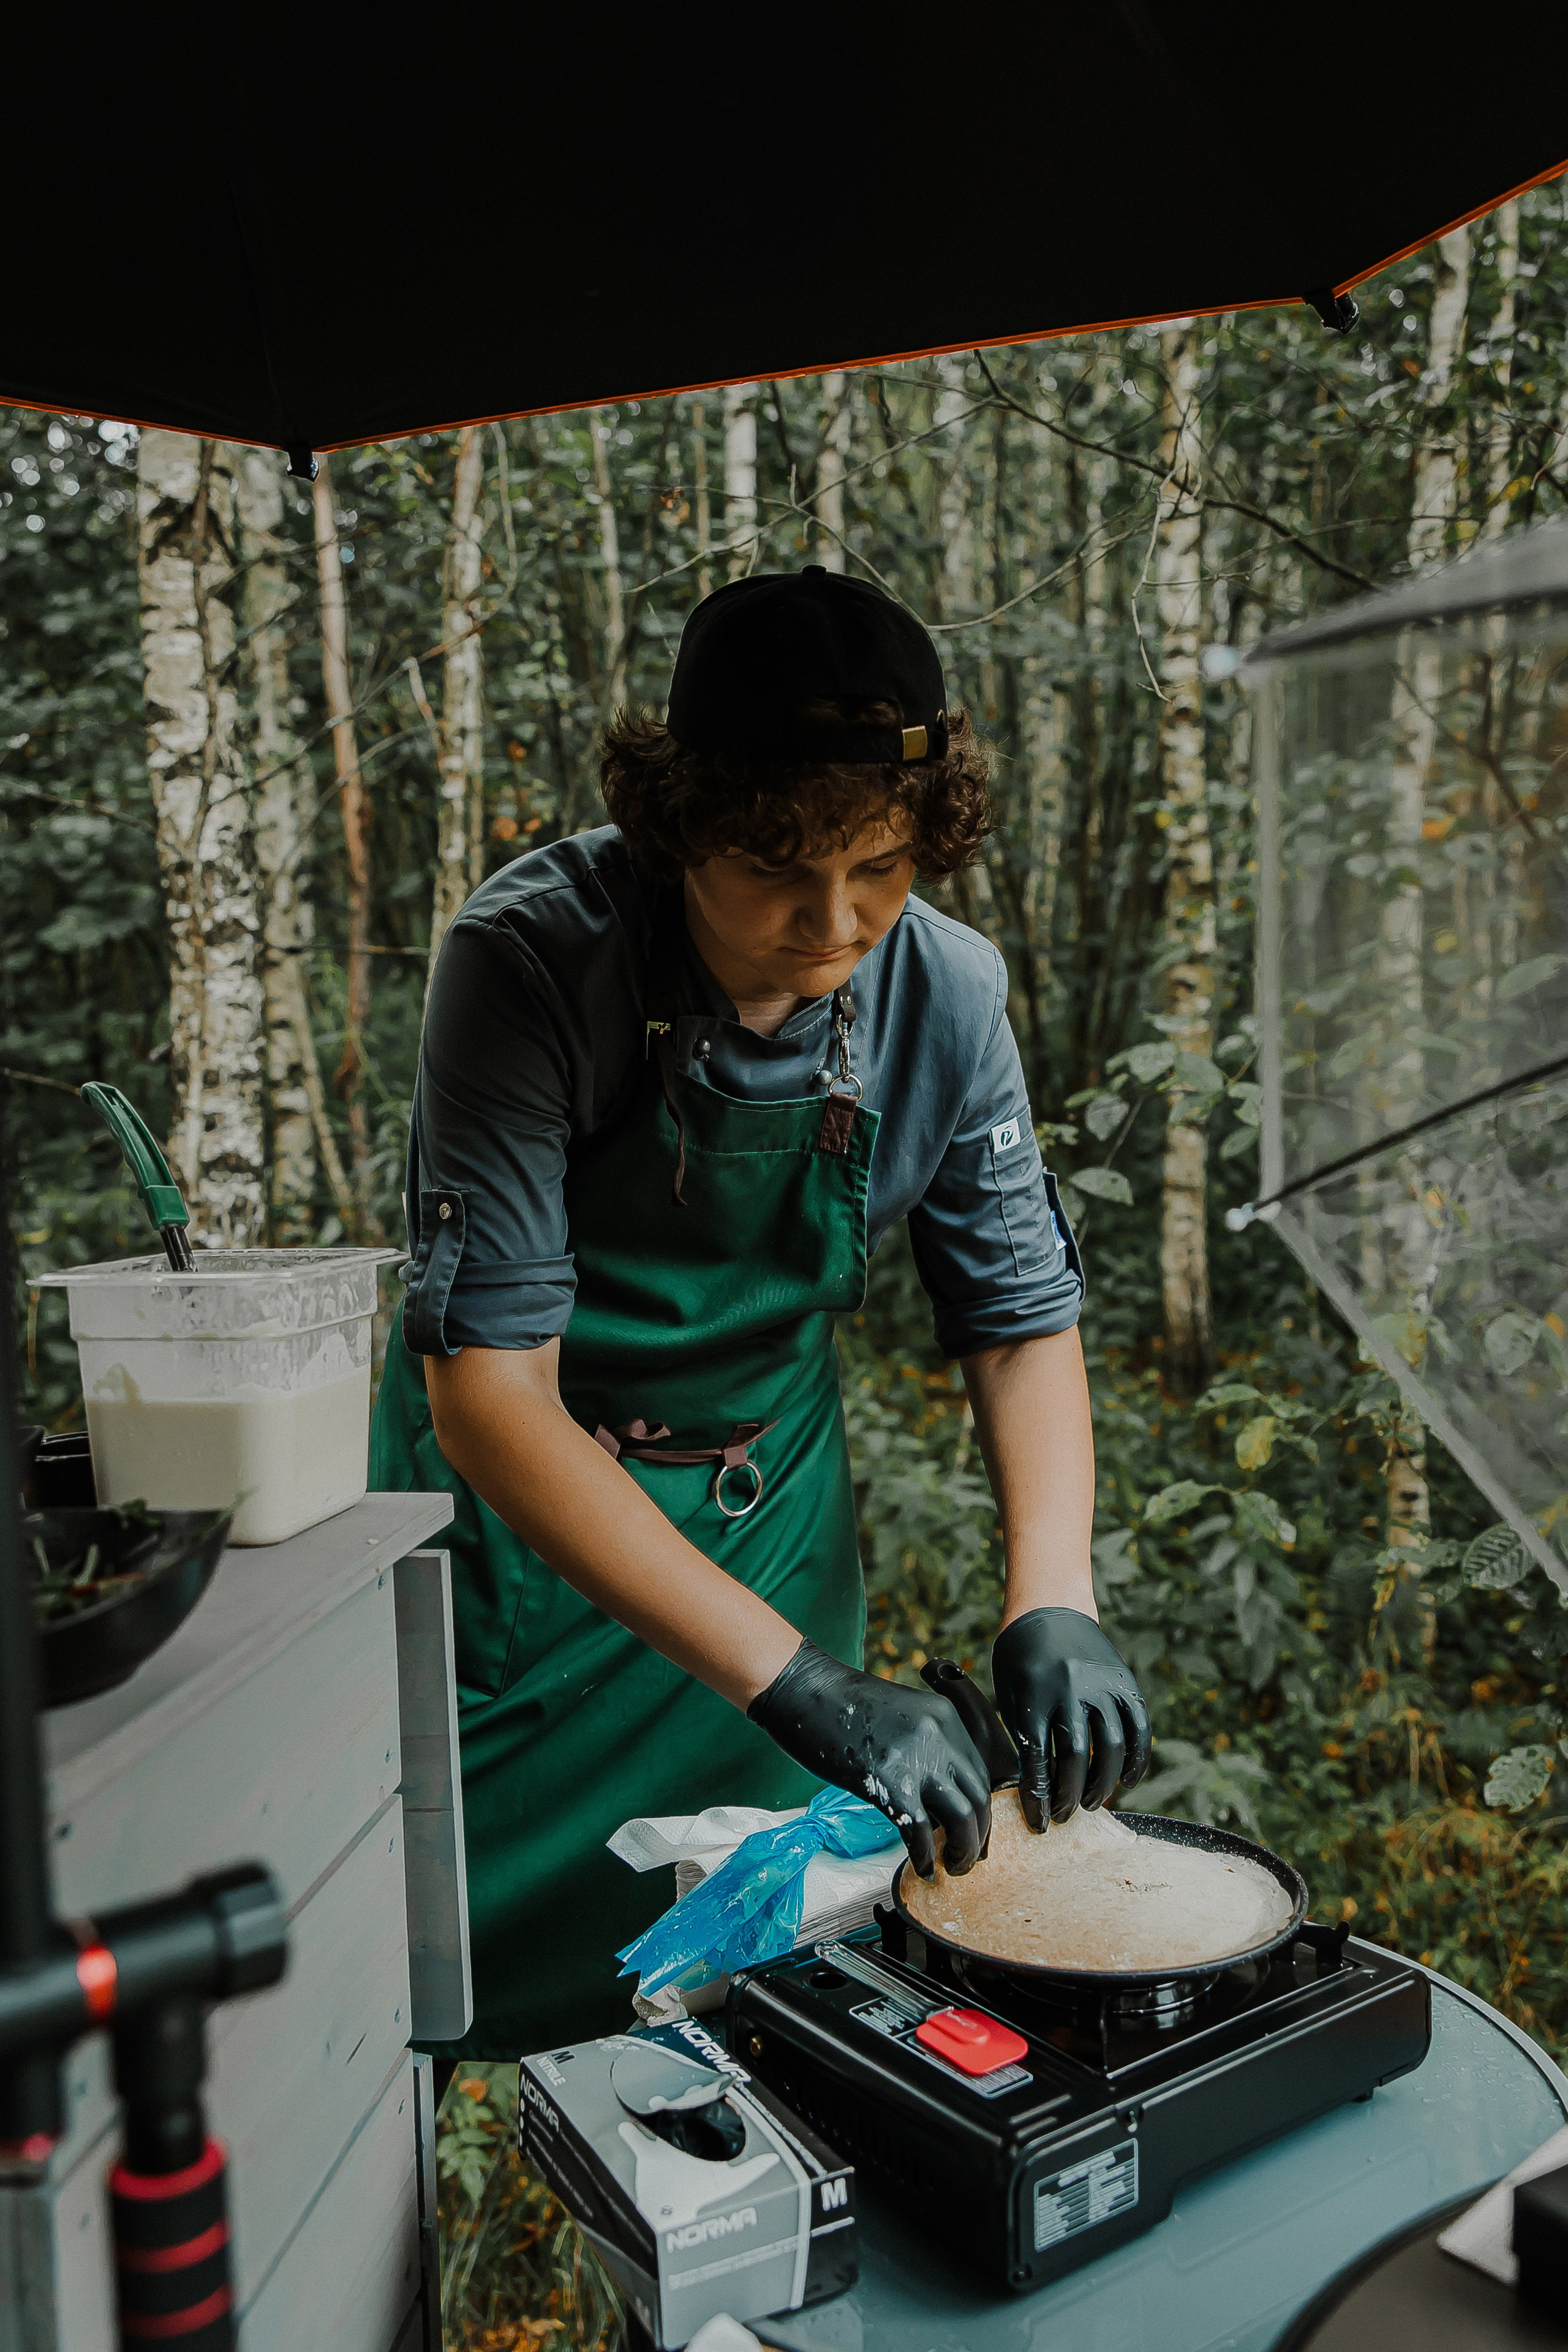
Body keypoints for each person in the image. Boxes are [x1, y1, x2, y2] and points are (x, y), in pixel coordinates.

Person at [370, 566, 1150, 2062]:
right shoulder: (526, 961)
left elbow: (1014, 1318)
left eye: (880, 866)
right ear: (673, 831)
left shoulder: (949, 993)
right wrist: (791, 1681)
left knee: (758, 1961)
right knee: (445, 1955)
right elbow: (488, 1395)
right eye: (771, 866)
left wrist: (1051, 1592)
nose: (832, 922)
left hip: (766, 1505)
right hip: (530, 1525)